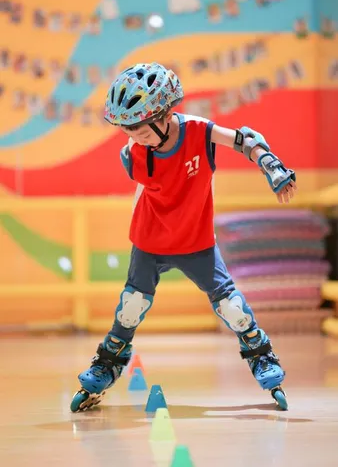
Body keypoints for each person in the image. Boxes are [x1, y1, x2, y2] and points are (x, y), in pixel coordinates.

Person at [71, 63, 297, 413]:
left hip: (197, 241)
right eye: (127, 130)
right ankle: (106, 364)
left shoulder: (199, 132)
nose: (134, 137)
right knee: (132, 306)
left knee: (231, 307)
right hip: (150, 239)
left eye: (140, 129)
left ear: (164, 115)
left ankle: (262, 357)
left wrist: (272, 166)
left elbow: (245, 140)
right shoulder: (134, 152)